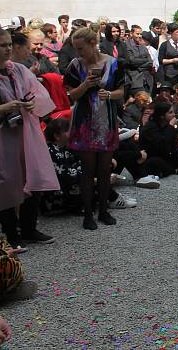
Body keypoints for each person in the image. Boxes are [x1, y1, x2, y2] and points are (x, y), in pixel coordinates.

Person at [0, 29, 59, 246]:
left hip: (25, 132)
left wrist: (31, 102)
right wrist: (5, 107)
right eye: (2, 45)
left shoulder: (18, 70)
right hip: (3, 135)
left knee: (33, 175)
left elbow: (39, 94)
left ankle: (28, 228)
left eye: (8, 44)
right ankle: (11, 235)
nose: (7, 49)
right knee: (5, 182)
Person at [63, 26, 125, 230]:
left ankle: (104, 210)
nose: (78, 53)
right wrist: (86, 85)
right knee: (88, 170)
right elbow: (71, 96)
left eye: (81, 48)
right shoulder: (75, 65)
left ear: (93, 44)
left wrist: (109, 94)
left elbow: (121, 91)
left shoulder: (113, 63)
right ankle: (88, 213)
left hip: (106, 119)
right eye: (75, 48)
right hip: (84, 122)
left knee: (105, 168)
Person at [158, 23, 178, 88]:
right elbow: (161, 60)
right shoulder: (164, 45)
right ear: (171, 33)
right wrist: (173, 60)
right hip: (170, 74)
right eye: (177, 32)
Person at [125, 25, 155, 95]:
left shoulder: (142, 44)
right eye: (137, 34)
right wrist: (145, 60)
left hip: (147, 78)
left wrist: (139, 64)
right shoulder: (127, 45)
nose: (139, 36)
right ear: (131, 34)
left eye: (140, 34)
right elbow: (132, 61)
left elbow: (150, 61)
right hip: (135, 78)